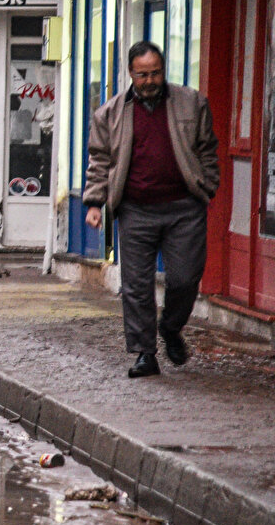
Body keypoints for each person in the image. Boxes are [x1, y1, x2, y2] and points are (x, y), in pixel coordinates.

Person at [83, 42, 220, 379]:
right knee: (136, 286)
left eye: (155, 73)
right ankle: (145, 353)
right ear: (131, 74)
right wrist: (94, 202)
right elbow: (99, 159)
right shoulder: (110, 114)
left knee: (185, 278)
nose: (149, 80)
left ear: (163, 70)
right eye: (142, 74)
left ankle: (171, 328)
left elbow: (207, 148)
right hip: (135, 210)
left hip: (184, 208)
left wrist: (208, 184)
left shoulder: (192, 102)